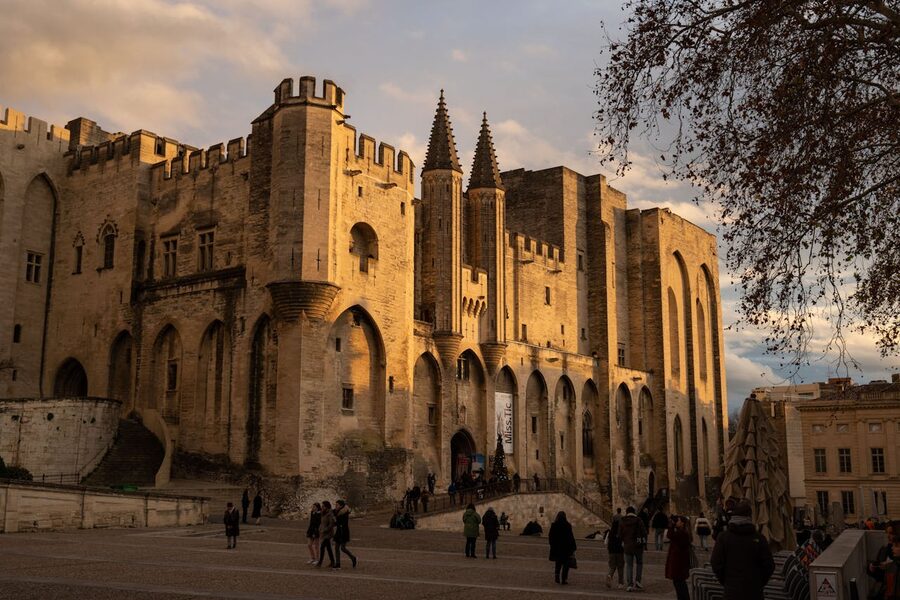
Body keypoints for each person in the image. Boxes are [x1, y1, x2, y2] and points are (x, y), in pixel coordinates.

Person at [710, 499, 775, 600]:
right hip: (754, 591)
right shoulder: (759, 538)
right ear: (750, 517)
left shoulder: (724, 538)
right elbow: (769, 565)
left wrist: (727, 581)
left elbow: (715, 563)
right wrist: (759, 582)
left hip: (732, 591)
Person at [620, 506, 648, 591]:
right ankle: (638, 581)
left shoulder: (623, 521)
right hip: (638, 546)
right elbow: (644, 532)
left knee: (629, 565)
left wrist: (623, 541)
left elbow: (620, 533)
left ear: (627, 512)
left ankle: (629, 584)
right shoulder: (638, 520)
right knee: (639, 563)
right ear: (634, 512)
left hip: (627, 545)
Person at [666, 516, 692, 600]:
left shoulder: (681, 533)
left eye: (678, 521)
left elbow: (670, 535)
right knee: (679, 584)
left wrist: (671, 526)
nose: (677, 522)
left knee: (680, 584)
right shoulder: (682, 532)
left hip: (678, 563)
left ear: (682, 523)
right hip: (680, 563)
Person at [548, 511, 577, 585]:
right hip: (566, 548)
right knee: (566, 564)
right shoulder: (567, 525)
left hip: (557, 548)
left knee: (558, 563)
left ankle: (557, 575)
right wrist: (573, 547)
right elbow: (571, 537)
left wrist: (552, 544)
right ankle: (564, 579)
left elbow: (550, 536)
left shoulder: (554, 525)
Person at [333, 499, 358, 569]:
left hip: (343, 532)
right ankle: (338, 563)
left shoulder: (344, 513)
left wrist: (334, 521)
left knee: (343, 548)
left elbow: (341, 523)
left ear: (341, 506)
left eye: (337, 505)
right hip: (339, 531)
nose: (335, 506)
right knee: (336, 548)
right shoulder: (337, 511)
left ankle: (353, 557)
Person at [606, 517, 625, 589]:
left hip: (611, 552)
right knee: (620, 567)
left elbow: (607, 543)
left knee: (612, 566)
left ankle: (610, 575)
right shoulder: (621, 532)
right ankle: (620, 583)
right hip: (619, 551)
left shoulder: (610, 532)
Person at [317, 500, 336, 568]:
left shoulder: (330, 514)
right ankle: (332, 562)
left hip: (328, 534)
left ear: (327, 507)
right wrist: (320, 529)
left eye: (323, 506)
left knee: (322, 547)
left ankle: (320, 562)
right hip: (324, 533)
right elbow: (322, 523)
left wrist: (325, 530)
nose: (322, 507)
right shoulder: (323, 513)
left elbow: (331, 524)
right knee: (328, 548)